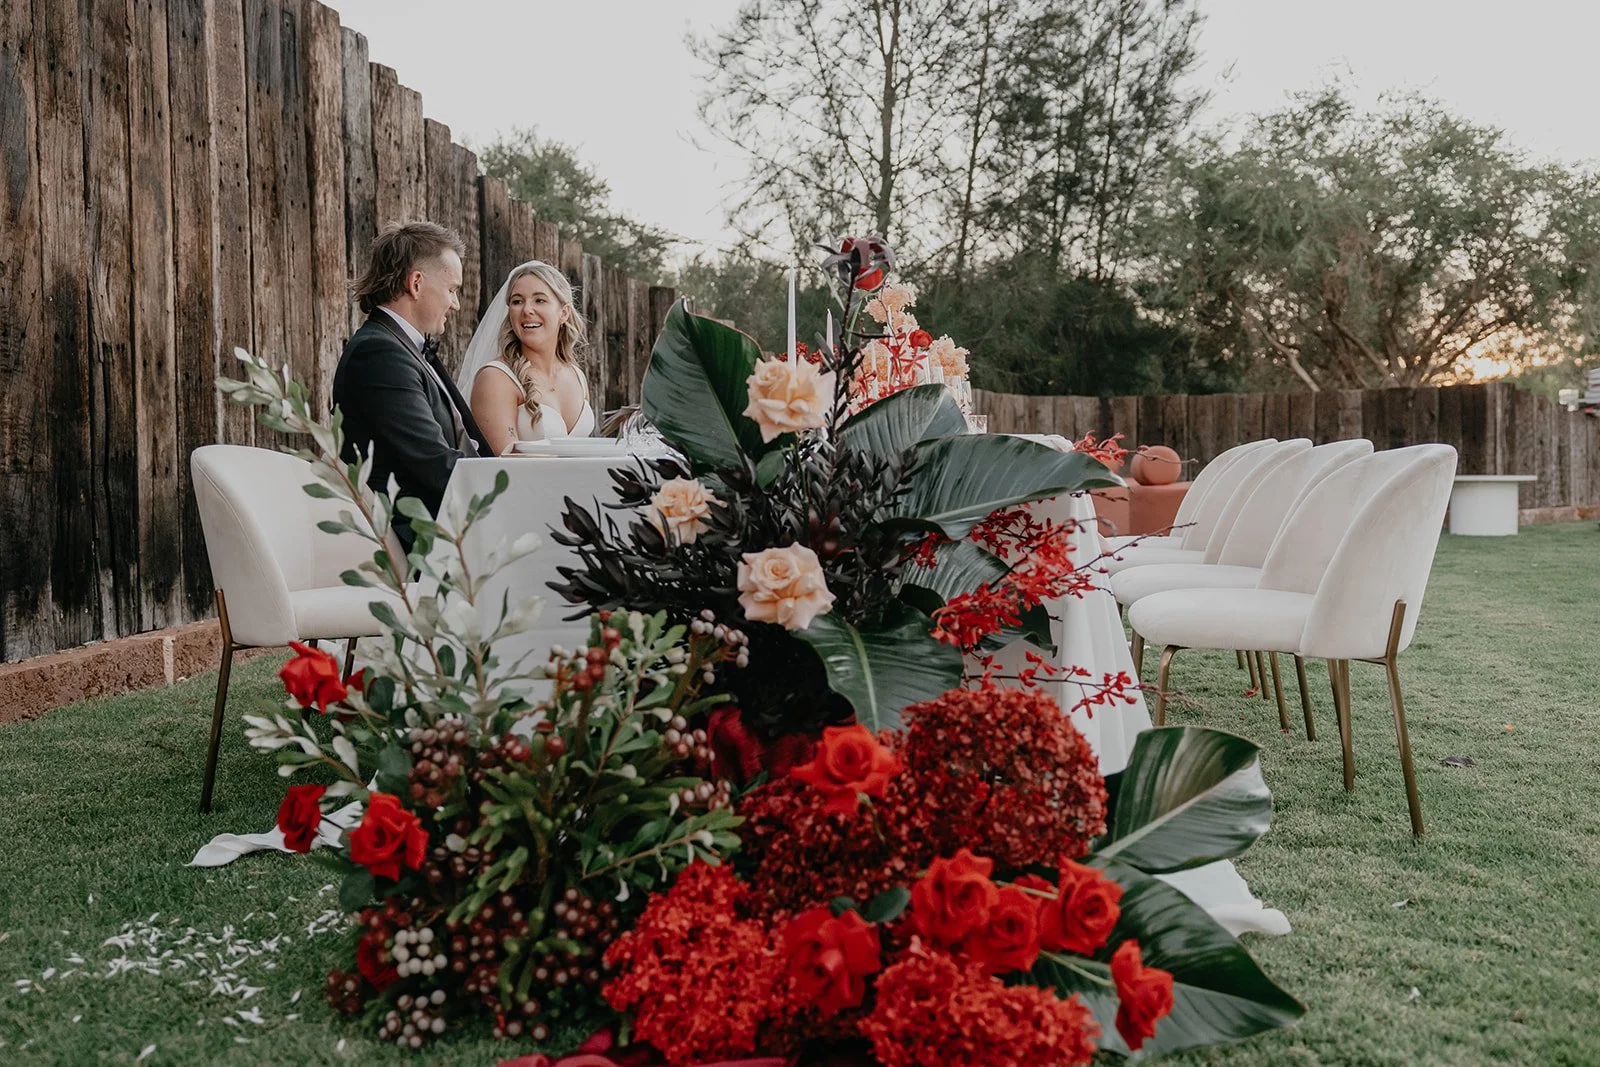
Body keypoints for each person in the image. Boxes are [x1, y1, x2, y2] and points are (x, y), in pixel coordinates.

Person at [332, 221, 491, 551]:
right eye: (452, 290)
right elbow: (431, 463)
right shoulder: (380, 353)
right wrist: (509, 491)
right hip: (415, 539)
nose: (456, 304)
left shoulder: (399, 346)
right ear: (416, 283)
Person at [456, 260, 594, 455]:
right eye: (517, 301)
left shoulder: (577, 377)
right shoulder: (496, 378)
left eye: (539, 300)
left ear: (564, 313)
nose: (527, 310)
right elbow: (505, 465)